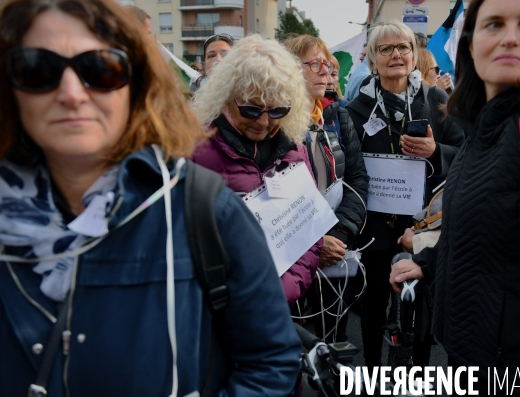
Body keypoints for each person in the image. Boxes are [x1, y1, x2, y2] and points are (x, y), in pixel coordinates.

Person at [0, 1, 302, 396]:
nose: (72, 94)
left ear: (136, 84)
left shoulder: (203, 208)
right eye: (38, 69)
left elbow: (271, 360)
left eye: (100, 69)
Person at [390, 0, 520, 393]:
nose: (510, 37)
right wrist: (429, 262)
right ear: (471, 43)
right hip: (473, 359)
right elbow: (494, 226)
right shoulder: (485, 119)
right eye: (494, 24)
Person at [345, 19, 464, 368]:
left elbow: (465, 153)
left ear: (414, 54)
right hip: (376, 223)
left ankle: (421, 372)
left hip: (425, 224)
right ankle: (371, 368)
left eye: (403, 47)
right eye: (386, 49)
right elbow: (351, 171)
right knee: (373, 303)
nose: (396, 55)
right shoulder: (356, 109)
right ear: (372, 59)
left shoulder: (436, 98)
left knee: (422, 304)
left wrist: (434, 151)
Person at [191, 34, 323, 307]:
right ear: (227, 97)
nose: (263, 122)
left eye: (277, 111)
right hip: (218, 312)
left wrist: (282, 290)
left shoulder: (295, 150)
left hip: (278, 306)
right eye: (251, 109)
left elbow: (309, 229)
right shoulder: (194, 153)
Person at [285, 35, 370, 342]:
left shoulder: (336, 115)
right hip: (290, 255)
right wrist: (313, 244)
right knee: (289, 346)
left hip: (335, 248)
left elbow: (358, 179)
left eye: (328, 64)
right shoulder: (273, 124)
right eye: (316, 64)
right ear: (292, 70)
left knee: (332, 340)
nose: (326, 72)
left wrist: (340, 234)